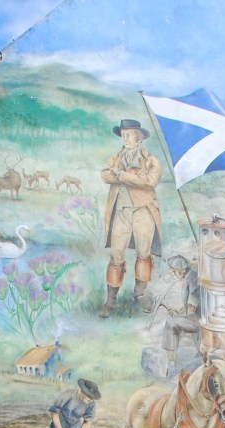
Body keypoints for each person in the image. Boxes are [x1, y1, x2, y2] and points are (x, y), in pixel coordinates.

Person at [99, 117, 163, 318]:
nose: (125, 138)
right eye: (123, 135)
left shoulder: (151, 160)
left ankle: (140, 294)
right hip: (121, 211)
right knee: (116, 255)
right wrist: (120, 175)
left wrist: (124, 176)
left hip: (144, 211)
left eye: (129, 135)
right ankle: (110, 300)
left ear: (139, 137)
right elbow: (105, 175)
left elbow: (150, 181)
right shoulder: (116, 157)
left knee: (144, 253)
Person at [159, 254, 200, 375]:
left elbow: (193, 306)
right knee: (175, 320)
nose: (173, 274)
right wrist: (178, 310)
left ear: (181, 271)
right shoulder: (190, 276)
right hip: (197, 316)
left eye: (174, 271)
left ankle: (171, 366)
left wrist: (182, 314)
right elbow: (191, 304)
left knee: (171, 324)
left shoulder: (191, 278)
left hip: (199, 319)